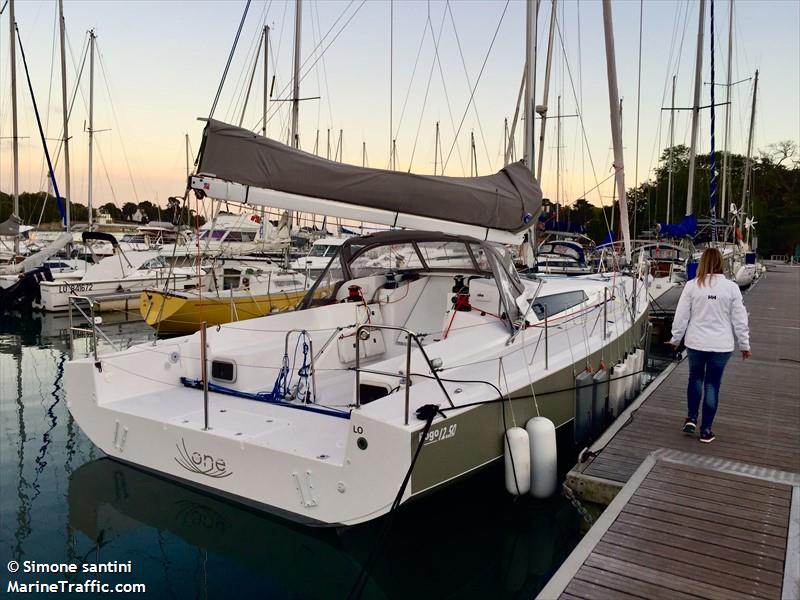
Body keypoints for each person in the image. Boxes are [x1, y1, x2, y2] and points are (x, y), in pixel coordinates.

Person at [669, 248, 751, 443]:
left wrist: (675, 339)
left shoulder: (692, 286)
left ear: (703, 262)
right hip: (721, 346)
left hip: (696, 343)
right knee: (712, 385)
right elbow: (739, 319)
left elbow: (681, 316)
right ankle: (706, 430)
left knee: (695, 378)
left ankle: (691, 418)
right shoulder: (731, 287)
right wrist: (744, 344)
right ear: (721, 263)